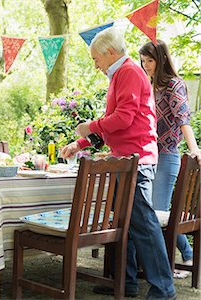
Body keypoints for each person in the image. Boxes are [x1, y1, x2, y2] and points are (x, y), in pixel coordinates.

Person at [61, 28, 176, 299]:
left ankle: (164, 289)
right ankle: (126, 282)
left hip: (136, 160)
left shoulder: (128, 73)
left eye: (96, 59)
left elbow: (122, 119)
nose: (95, 65)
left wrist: (88, 127)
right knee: (126, 225)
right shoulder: (121, 75)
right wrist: (81, 143)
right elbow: (113, 123)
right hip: (125, 160)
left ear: (110, 53)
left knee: (144, 225)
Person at [139, 40, 201, 278]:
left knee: (159, 214)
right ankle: (157, 264)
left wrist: (194, 148)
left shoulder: (174, 85)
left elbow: (183, 119)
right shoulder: (149, 85)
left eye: (150, 61)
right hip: (149, 157)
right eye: (143, 61)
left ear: (161, 60)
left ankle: (183, 258)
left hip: (167, 156)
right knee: (150, 213)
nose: (146, 66)